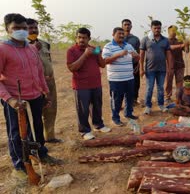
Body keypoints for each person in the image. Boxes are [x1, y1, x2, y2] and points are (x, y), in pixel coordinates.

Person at [0, 13, 61, 180]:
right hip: (16, 100)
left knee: (37, 127)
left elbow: (39, 72)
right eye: (16, 28)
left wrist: (45, 93)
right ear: (7, 30)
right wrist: (10, 99)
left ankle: (41, 153)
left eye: (23, 28)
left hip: (35, 96)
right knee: (17, 133)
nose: (21, 31)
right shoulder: (3, 49)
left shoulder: (32, 48)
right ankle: (20, 165)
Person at [67, 27, 110, 140]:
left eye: (84, 38)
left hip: (96, 84)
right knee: (83, 109)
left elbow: (102, 65)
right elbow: (72, 68)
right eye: (79, 37)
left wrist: (99, 53)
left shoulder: (93, 49)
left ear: (89, 39)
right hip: (81, 86)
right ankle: (84, 131)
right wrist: (85, 55)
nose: (81, 40)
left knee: (97, 106)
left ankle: (98, 125)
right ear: (76, 38)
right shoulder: (71, 51)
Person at [26, 18, 62, 143]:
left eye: (35, 27)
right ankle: (36, 140)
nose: (34, 30)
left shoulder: (45, 44)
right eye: (30, 28)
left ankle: (50, 136)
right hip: (34, 84)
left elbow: (48, 61)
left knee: (51, 109)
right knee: (36, 113)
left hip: (49, 83)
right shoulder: (23, 46)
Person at [102, 27, 140, 126]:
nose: (122, 36)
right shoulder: (108, 46)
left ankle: (128, 113)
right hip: (116, 79)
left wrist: (136, 56)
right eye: (119, 34)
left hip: (129, 77)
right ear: (113, 34)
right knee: (116, 99)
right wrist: (119, 54)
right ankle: (115, 118)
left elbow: (137, 57)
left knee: (130, 98)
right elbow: (104, 61)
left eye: (123, 34)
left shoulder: (128, 45)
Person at [140, 20, 171, 115]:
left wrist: (169, 67)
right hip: (150, 69)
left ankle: (161, 105)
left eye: (159, 28)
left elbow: (168, 54)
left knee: (160, 88)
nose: (157, 30)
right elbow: (141, 55)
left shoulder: (165, 40)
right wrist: (141, 68)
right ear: (151, 28)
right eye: (155, 28)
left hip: (162, 69)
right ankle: (148, 106)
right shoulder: (145, 39)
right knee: (149, 88)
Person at [165, 25, 189, 104]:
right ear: (168, 32)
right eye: (172, 30)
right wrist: (181, 45)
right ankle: (168, 97)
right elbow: (170, 47)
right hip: (169, 65)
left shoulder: (179, 40)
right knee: (169, 81)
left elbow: (186, 51)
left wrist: (187, 45)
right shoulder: (165, 41)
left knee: (179, 82)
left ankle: (178, 97)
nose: (174, 32)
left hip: (180, 65)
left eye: (175, 30)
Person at [122, 19, 141, 106]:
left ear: (131, 26)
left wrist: (138, 64)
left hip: (133, 64)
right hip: (122, 65)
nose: (127, 26)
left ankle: (134, 100)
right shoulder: (119, 38)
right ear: (122, 26)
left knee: (135, 83)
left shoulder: (135, 39)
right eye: (125, 24)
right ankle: (122, 102)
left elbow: (138, 53)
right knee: (122, 83)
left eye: (128, 24)